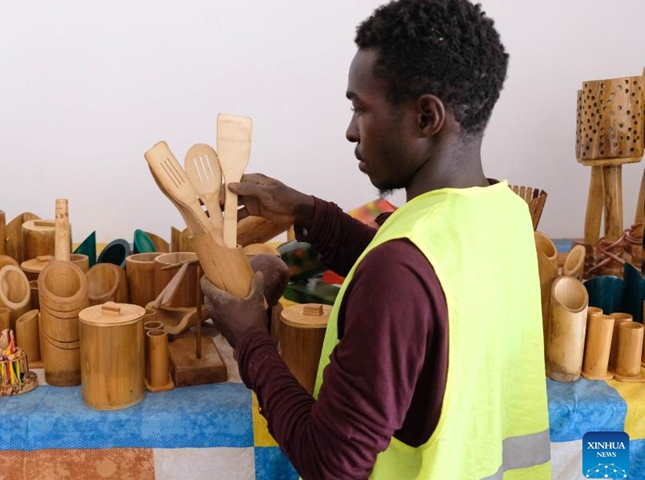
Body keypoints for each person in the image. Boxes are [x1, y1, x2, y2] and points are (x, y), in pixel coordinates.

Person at [199, 0, 551, 479]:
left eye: (360, 108)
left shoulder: (401, 269)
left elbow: (330, 464)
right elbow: (429, 293)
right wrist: (308, 211)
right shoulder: (505, 213)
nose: (350, 131)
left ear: (426, 117)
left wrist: (249, 339)